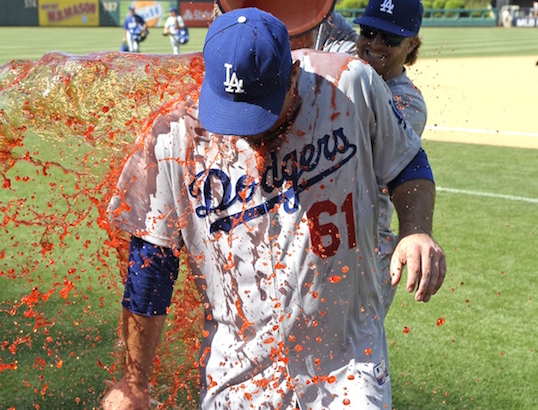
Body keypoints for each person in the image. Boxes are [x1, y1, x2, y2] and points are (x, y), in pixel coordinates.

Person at [102, 7, 445, 410]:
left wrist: (416, 229)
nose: (247, 129)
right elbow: (151, 266)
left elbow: (408, 163)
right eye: (232, 111)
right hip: (236, 376)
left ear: (294, 74)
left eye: (261, 109)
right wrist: (133, 382)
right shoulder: (175, 135)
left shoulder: (349, 86)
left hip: (347, 366)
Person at [216, 0, 428, 317]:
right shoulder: (346, 50)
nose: (373, 44)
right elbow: (310, 12)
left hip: (363, 241)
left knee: (348, 336)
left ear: (412, 44)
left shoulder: (406, 103)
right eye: (368, 32)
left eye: (389, 38)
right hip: (305, 217)